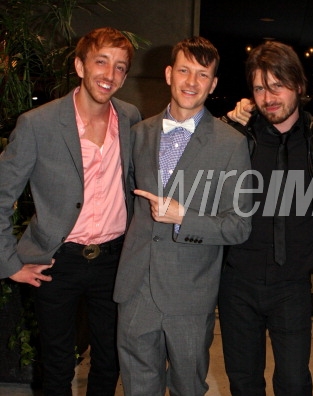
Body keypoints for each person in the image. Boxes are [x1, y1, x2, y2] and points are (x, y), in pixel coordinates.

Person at [0, 27, 140, 394]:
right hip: (57, 261)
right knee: (58, 363)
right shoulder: (37, 124)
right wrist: (9, 263)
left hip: (114, 259)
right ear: (80, 65)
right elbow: (1, 194)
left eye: (120, 67)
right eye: (101, 62)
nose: (110, 75)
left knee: (110, 360)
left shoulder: (130, 118)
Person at [113, 36, 252, 395]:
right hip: (135, 290)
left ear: (213, 83)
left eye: (202, 74)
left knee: (188, 387)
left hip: (190, 295)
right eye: (185, 71)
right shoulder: (138, 135)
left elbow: (239, 226)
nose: (191, 82)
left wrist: (183, 216)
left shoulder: (230, 143)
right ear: (169, 74)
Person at [217, 41, 313, 395]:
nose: (269, 97)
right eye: (259, 88)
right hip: (236, 282)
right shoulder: (237, 136)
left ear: (299, 85)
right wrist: (227, 119)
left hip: (293, 283)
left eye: (277, 85)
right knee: (243, 382)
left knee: (295, 383)